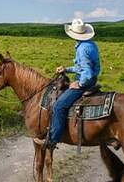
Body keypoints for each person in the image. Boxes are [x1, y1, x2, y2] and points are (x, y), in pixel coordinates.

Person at [45, 18, 101, 149]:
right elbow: (82, 67)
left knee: (59, 106)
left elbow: (86, 73)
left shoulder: (82, 49)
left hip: (86, 82)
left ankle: (53, 139)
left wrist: (79, 84)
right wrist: (67, 69)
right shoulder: (90, 44)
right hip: (92, 79)